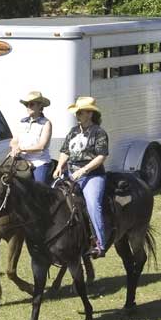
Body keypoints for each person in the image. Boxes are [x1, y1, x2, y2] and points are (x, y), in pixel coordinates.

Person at [53, 96, 110, 258]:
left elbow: (101, 157)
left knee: (93, 204)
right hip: (71, 173)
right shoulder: (73, 131)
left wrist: (83, 170)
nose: (77, 114)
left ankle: (100, 243)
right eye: (76, 112)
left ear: (90, 114)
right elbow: (65, 151)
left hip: (93, 175)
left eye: (81, 112)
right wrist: (59, 165)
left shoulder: (99, 132)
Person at [10, 91, 53, 185]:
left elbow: (42, 146)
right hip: (22, 162)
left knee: (39, 190)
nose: (28, 107)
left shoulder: (46, 123)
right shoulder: (22, 122)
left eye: (32, 104)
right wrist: (14, 148)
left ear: (40, 106)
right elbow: (14, 140)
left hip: (39, 162)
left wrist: (21, 149)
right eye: (27, 105)